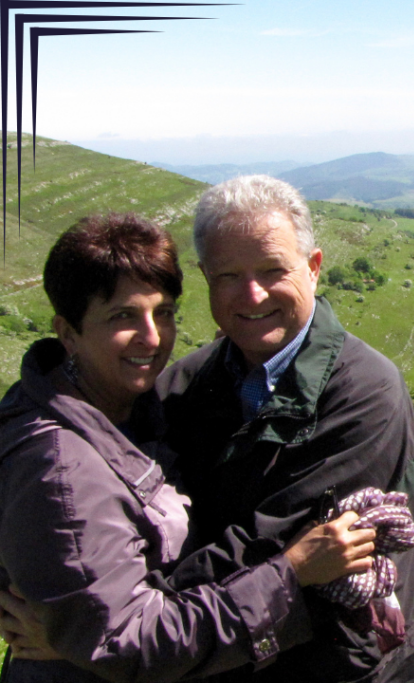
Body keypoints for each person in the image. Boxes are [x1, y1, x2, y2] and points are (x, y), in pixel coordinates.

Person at [0, 214, 377, 682]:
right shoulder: (59, 467)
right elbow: (130, 642)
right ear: (68, 331)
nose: (153, 337)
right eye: (122, 316)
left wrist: (69, 633)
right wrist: (287, 575)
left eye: (163, 312)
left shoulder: (129, 408)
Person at [156, 175, 414, 682]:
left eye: (274, 270)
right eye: (229, 275)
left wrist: (128, 611)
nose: (252, 295)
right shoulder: (181, 386)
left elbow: (272, 543)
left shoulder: (364, 392)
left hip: (362, 667)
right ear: (205, 276)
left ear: (313, 268)